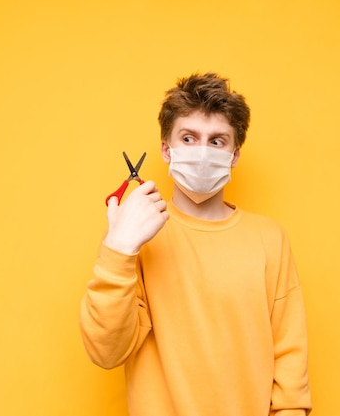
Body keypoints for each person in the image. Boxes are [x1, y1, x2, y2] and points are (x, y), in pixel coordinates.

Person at [80, 72, 312, 416]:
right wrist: (119, 247)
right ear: (166, 150)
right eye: (188, 138)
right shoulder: (136, 237)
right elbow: (106, 351)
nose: (202, 152)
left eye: (216, 141)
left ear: (234, 155)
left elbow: (289, 359)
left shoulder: (269, 238)